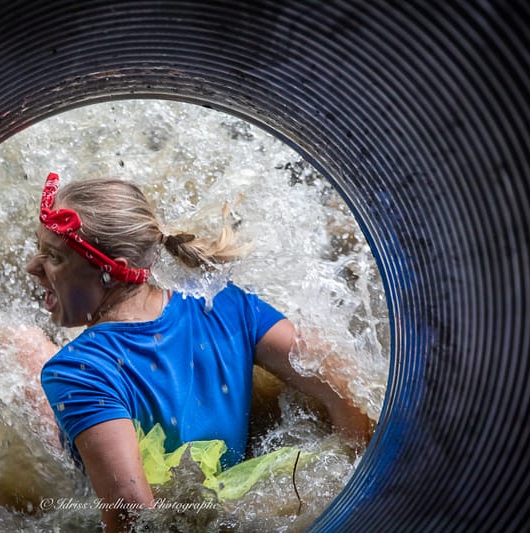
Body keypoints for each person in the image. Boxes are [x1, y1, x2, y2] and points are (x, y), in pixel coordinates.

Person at [24, 172, 372, 532]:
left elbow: (131, 513)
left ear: (113, 271)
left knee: (19, 344)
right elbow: (347, 389)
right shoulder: (223, 301)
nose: (32, 267)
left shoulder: (76, 369)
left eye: (53, 257)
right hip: (250, 500)